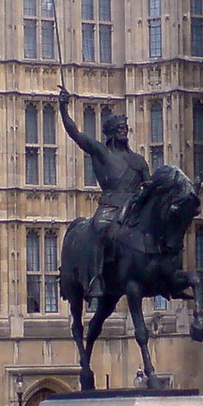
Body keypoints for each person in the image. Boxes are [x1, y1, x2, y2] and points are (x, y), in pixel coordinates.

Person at [58, 85, 150, 300]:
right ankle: (95, 278)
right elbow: (76, 134)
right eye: (119, 129)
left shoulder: (138, 161)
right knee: (100, 230)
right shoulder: (102, 152)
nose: (123, 132)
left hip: (133, 208)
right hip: (110, 206)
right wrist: (63, 108)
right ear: (110, 133)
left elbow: (150, 186)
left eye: (125, 128)